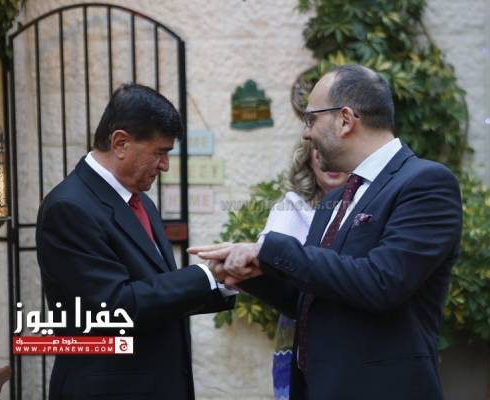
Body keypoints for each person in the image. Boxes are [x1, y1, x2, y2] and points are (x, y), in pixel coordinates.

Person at [189, 64, 463, 400]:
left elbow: (382, 283)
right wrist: (248, 273)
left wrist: (269, 248)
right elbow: (309, 300)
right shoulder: (335, 199)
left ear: (345, 119)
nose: (307, 134)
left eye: (311, 119)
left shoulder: (425, 182)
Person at [36, 84, 235, 400]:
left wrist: (224, 279)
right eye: (159, 152)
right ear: (120, 143)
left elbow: (156, 293)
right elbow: (116, 306)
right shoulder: (69, 207)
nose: (165, 165)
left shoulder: (140, 201)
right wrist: (205, 276)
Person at [260, 139, 347, 400]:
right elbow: (264, 257)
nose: (328, 161)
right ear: (308, 159)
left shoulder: (370, 206)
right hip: (298, 336)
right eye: (319, 151)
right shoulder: (291, 206)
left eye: (336, 151)